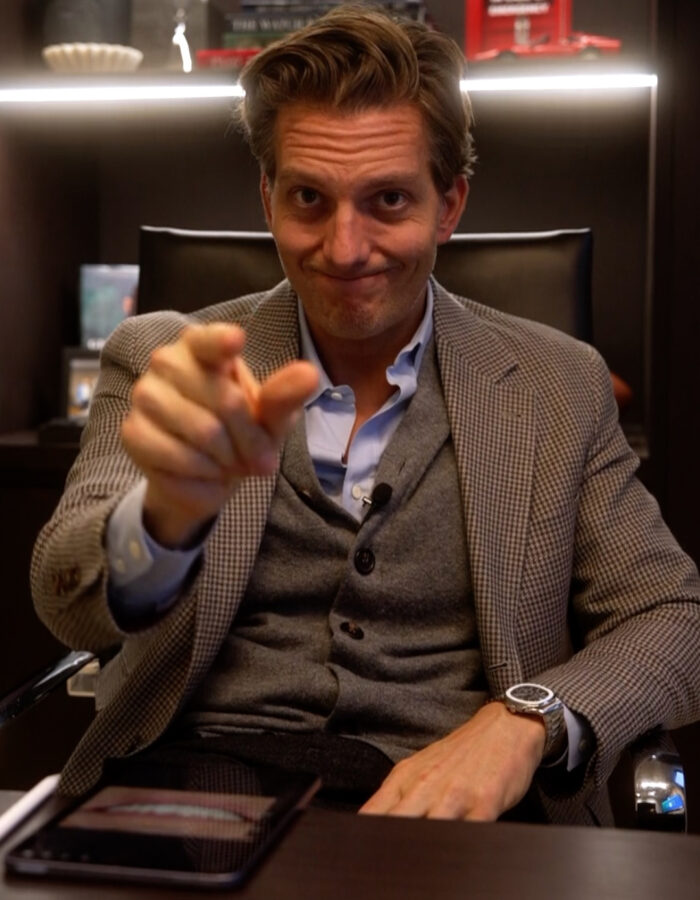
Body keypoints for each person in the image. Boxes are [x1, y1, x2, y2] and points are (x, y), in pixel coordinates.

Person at [32, 5, 700, 826]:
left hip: (460, 814)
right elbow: (64, 597)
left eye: (387, 201)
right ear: (268, 195)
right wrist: (162, 522)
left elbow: (672, 617)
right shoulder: (167, 357)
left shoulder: (558, 385)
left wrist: (528, 719)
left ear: (450, 204)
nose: (344, 249)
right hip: (194, 792)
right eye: (309, 198)